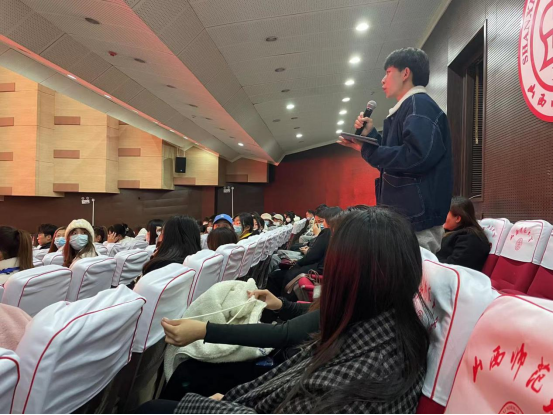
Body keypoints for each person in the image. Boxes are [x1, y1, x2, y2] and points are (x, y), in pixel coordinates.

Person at [141, 207, 429, 413]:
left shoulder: (365, 372)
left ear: (349, 271)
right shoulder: (383, 318)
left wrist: (227, 401)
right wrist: (282, 305)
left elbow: (288, 336)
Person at [339, 47, 452, 254]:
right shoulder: (410, 107)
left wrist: (369, 151)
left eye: (388, 72)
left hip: (416, 219)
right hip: (408, 216)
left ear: (405, 73)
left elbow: (416, 156)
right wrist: (371, 137)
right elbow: (399, 154)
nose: (383, 80)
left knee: (412, 272)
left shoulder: (419, 106)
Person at [267, 206, 342, 297]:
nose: (319, 223)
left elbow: (312, 256)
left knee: (275, 275)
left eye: (321, 221)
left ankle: (279, 302)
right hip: (319, 271)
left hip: (314, 273)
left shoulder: (327, 232)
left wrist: (297, 263)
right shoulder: (339, 235)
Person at [436, 196, 491, 271]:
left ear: (458, 218)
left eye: (444, 213)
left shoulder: (470, 238)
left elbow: (454, 266)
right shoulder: (449, 231)